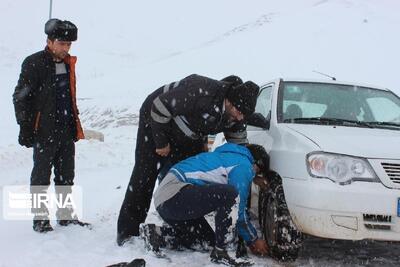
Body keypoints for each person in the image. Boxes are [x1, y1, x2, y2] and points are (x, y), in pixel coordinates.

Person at [117, 74, 260, 245]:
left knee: (191, 175)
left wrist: (250, 171)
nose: (240, 118)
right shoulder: (201, 91)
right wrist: (161, 142)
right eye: (239, 112)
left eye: (244, 115)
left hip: (189, 132)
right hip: (156, 120)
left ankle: (184, 224)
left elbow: (239, 150)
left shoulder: (237, 115)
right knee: (145, 173)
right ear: (229, 101)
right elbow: (159, 107)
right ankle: (128, 231)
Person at [12, 18, 89, 232]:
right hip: (44, 130)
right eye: (62, 44)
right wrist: (25, 127)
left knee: (66, 175)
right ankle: (40, 220)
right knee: (41, 177)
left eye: (68, 45)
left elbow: (68, 96)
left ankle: (65, 216)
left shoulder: (68, 63)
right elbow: (20, 97)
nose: (65, 48)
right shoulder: (34, 63)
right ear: (49, 41)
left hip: (65, 129)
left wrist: (74, 124)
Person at [141, 143, 269, 266]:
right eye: (258, 172)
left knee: (206, 241)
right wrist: (253, 239)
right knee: (230, 194)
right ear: (257, 164)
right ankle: (224, 251)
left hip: (167, 201)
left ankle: (157, 235)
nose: (254, 176)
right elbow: (238, 206)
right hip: (174, 194)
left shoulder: (227, 157)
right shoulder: (244, 165)